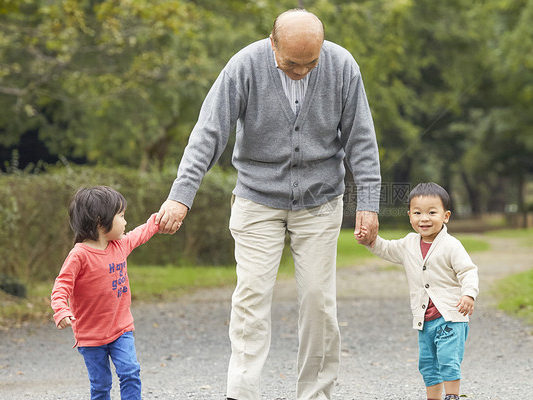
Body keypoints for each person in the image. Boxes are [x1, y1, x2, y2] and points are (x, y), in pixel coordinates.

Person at [155, 8, 381, 400]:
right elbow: (209, 133)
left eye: (311, 62)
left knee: (317, 302)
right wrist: (180, 196)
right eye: (293, 63)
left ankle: (317, 394)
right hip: (257, 200)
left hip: (320, 200)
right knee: (252, 296)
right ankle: (241, 393)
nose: (303, 71)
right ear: (272, 42)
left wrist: (369, 202)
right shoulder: (244, 66)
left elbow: (361, 139)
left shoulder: (342, 66)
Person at [355, 182, 478, 400]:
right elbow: (385, 248)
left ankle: (452, 396)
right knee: (428, 363)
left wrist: (468, 294)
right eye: (418, 213)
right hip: (425, 319)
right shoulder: (408, 243)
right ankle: (433, 397)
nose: (424, 218)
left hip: (450, 316)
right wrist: (369, 240)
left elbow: (468, 271)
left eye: (432, 212)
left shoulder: (451, 245)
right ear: (410, 216)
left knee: (448, 359)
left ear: (446, 216)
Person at [51, 186, 161, 400]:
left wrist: (160, 218)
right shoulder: (79, 255)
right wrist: (61, 310)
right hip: (90, 336)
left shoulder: (119, 245)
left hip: (121, 328)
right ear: (100, 221)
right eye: (121, 215)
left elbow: (141, 233)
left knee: (130, 372)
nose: (125, 222)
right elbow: (61, 286)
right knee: (101, 385)